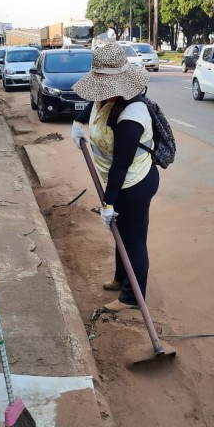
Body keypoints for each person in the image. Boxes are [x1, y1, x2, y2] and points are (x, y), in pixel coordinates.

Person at [70, 43, 158, 313]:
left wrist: (108, 203)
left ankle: (132, 298)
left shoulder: (132, 116)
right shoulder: (107, 97)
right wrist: (78, 121)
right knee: (121, 232)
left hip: (134, 184)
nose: (102, 94)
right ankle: (122, 279)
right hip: (120, 180)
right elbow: (93, 106)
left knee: (133, 240)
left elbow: (121, 166)